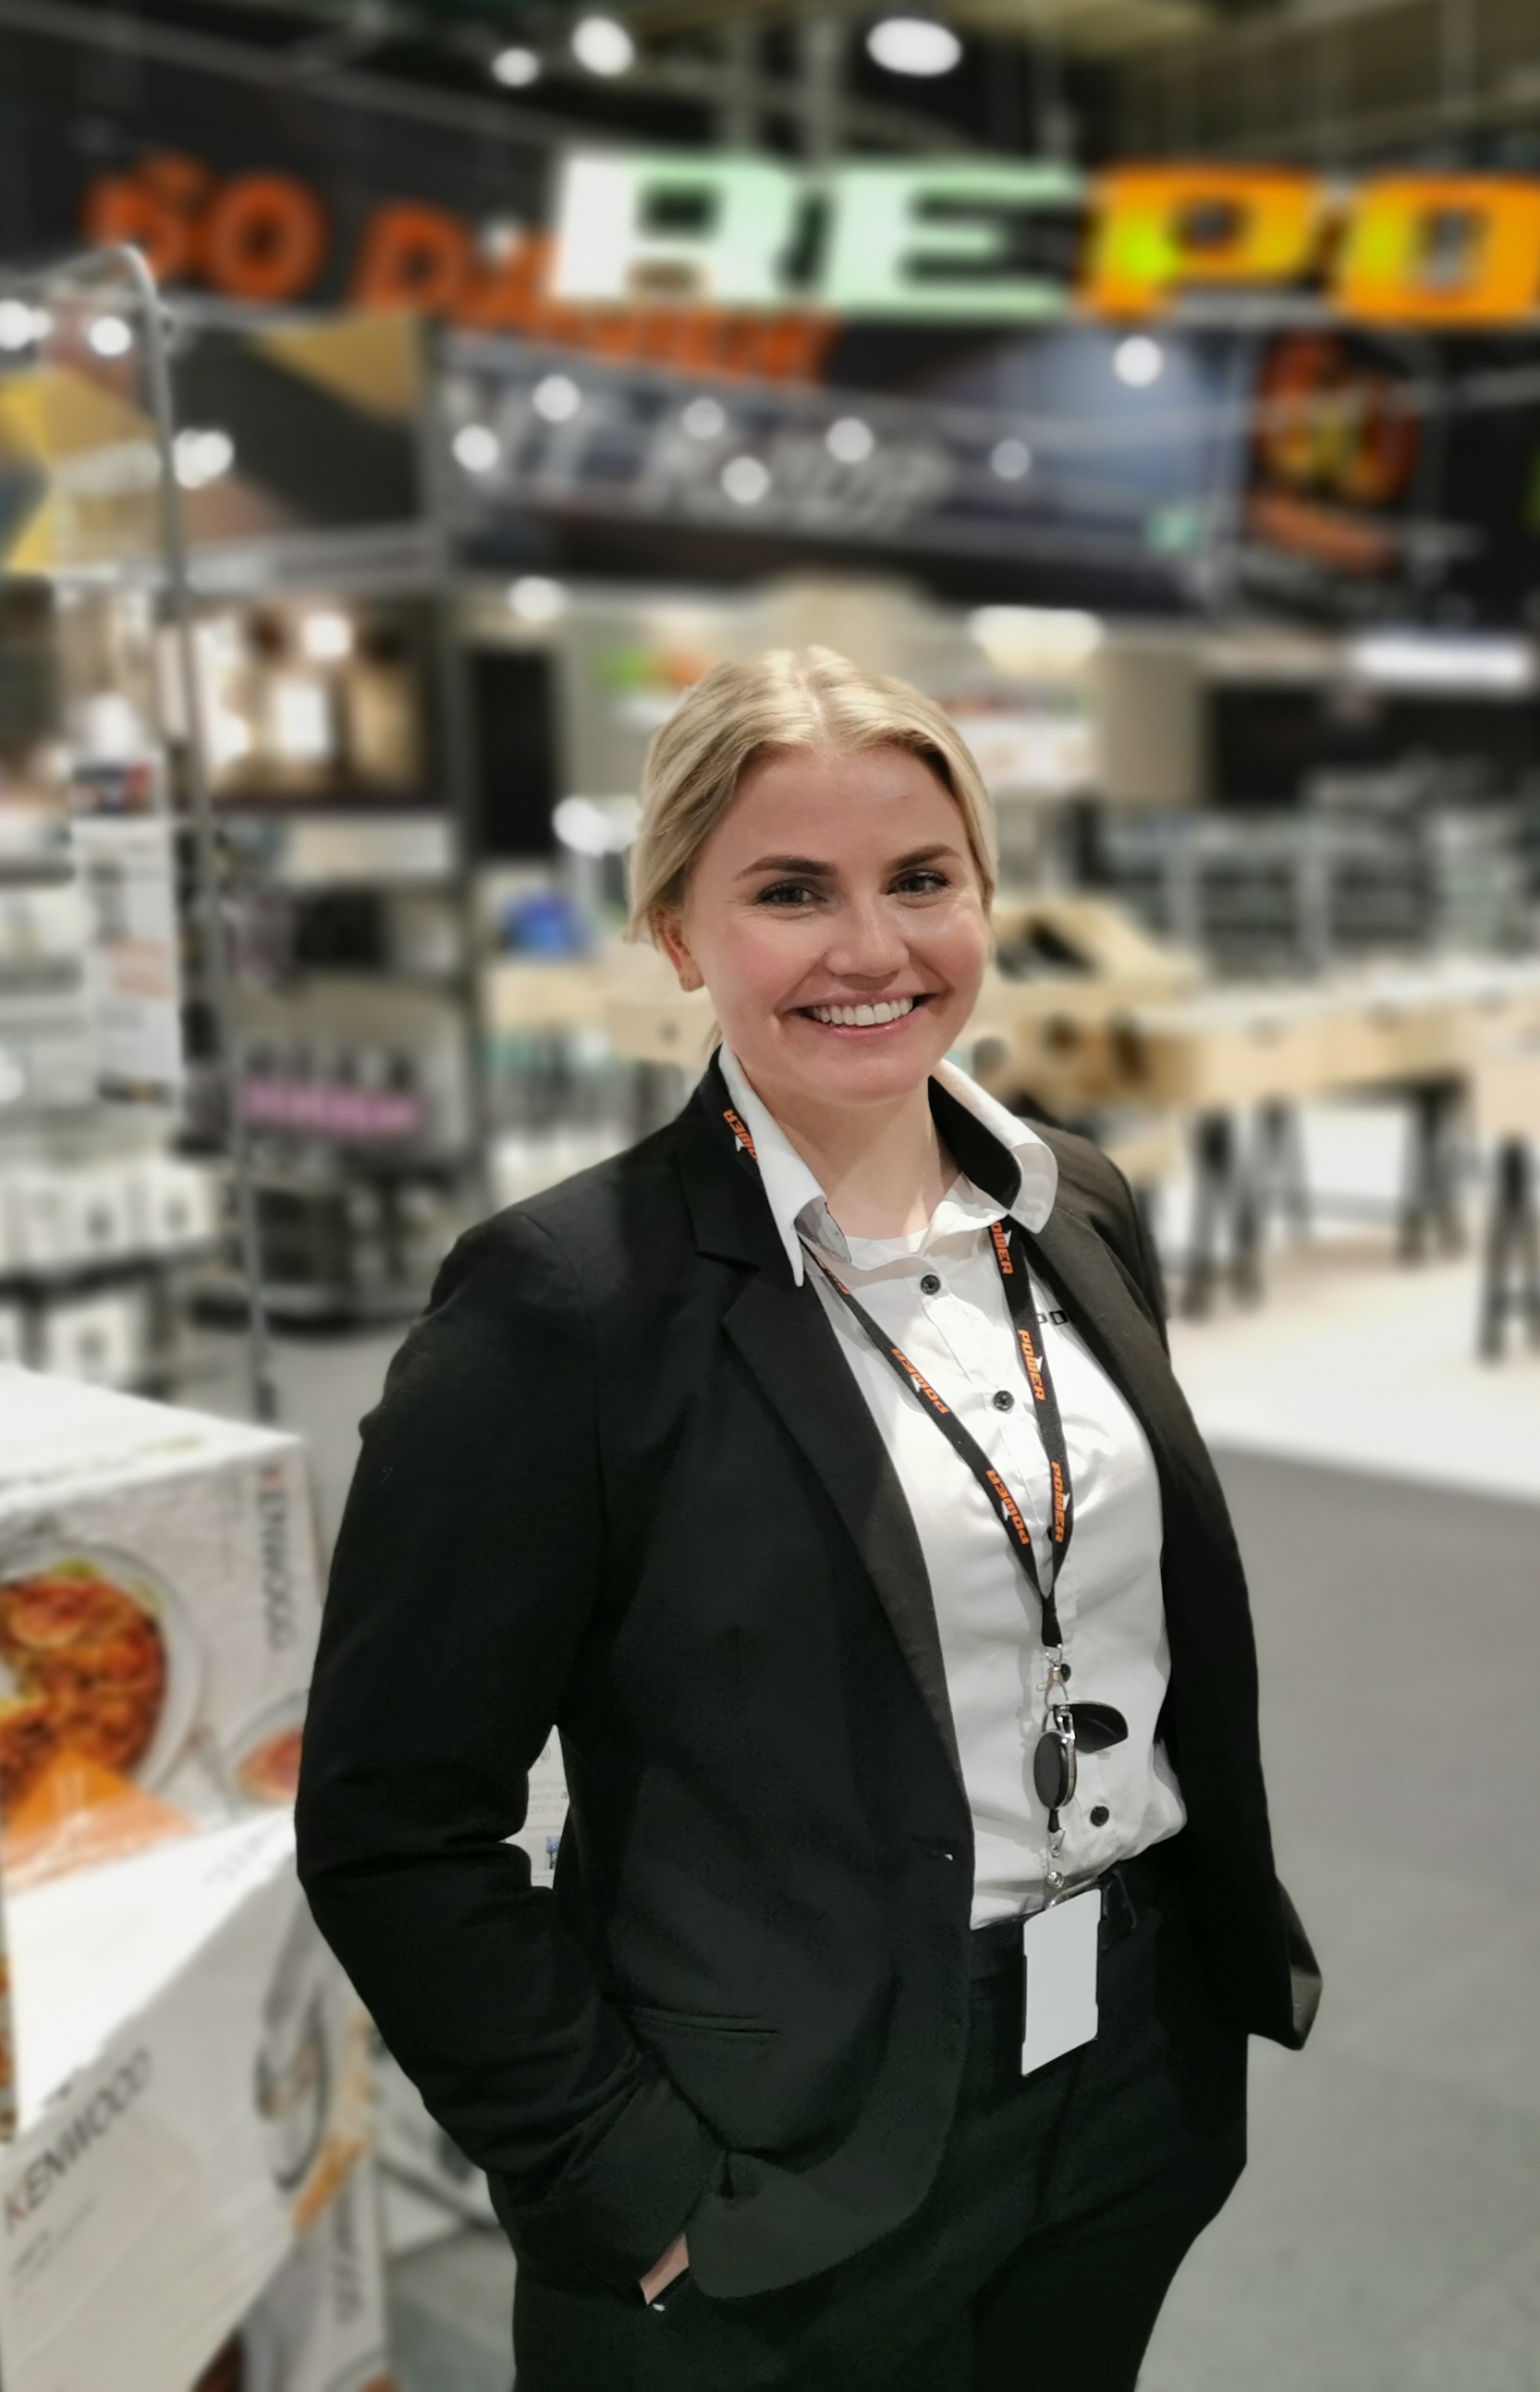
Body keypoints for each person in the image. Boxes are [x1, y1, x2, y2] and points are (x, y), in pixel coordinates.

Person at [298, 647, 1317, 2387]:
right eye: (790, 892)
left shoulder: (1074, 1207)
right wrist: (625, 2181)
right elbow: (393, 1822)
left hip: (1125, 2082)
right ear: (678, 932)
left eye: (922, 879)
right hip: (771, 2158)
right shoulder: (564, 1302)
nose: (872, 947)